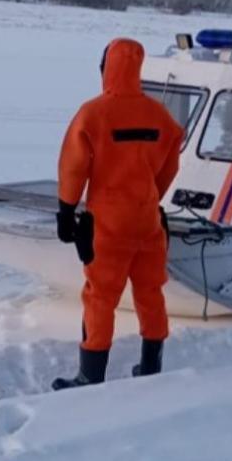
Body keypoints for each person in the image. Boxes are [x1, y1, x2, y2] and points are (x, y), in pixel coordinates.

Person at [51, 38, 184, 391]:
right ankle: (151, 366)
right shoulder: (160, 115)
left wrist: (66, 211)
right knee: (150, 292)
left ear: (105, 68)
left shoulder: (92, 113)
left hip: (108, 224)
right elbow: (170, 163)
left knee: (100, 296)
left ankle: (90, 375)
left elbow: (73, 166)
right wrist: (150, 193)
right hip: (148, 221)